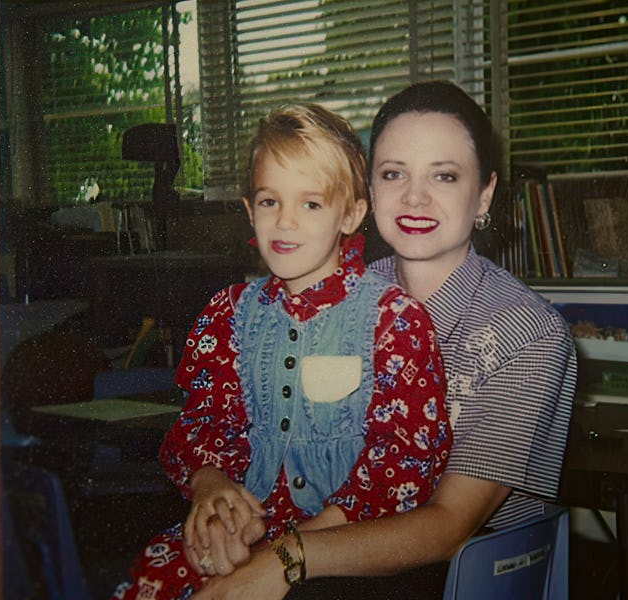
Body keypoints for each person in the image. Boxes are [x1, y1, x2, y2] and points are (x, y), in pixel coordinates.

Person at [190, 80, 577, 600]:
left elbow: (449, 527)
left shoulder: (527, 332)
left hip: (460, 574)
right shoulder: (338, 302)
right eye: (394, 174)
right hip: (327, 548)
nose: (415, 197)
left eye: (444, 175)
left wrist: (278, 561)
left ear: (484, 193)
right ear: (367, 193)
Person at [112, 103, 451, 600]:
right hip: (248, 531)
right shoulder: (229, 313)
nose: (286, 222)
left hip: (345, 543)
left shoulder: (394, 321)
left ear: (352, 214)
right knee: (155, 578)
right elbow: (204, 424)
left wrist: (283, 550)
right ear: (251, 209)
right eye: (271, 202)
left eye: (311, 204)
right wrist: (212, 493)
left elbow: (403, 463)